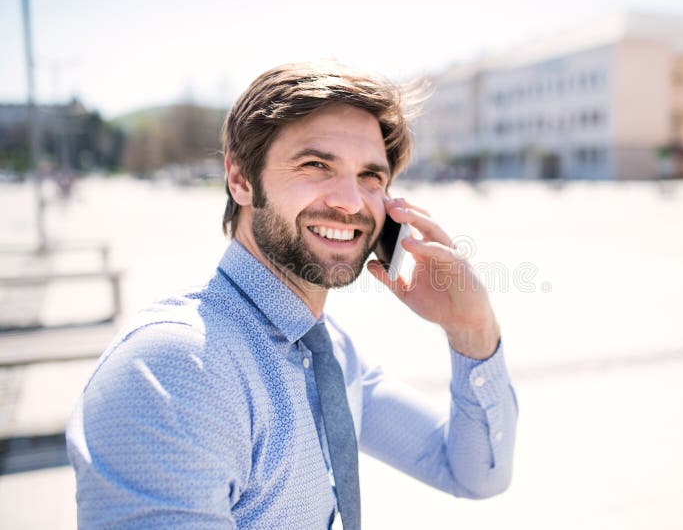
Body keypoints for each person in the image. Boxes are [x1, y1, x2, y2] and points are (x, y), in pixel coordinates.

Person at [66, 61, 518, 529]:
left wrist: (472, 329)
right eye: (316, 165)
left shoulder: (333, 353)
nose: (349, 201)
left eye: (370, 177)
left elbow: (476, 473)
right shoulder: (177, 370)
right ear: (241, 179)